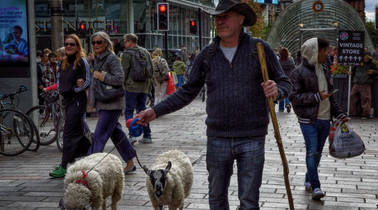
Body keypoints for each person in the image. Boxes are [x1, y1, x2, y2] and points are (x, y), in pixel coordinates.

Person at [137, 0, 291, 209]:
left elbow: (284, 82)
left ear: (241, 19)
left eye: (225, 16)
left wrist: (278, 90)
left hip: (252, 137)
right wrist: (155, 111)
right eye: (217, 17)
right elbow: (187, 91)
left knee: (249, 200)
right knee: (216, 198)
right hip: (218, 138)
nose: (220, 21)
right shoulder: (208, 54)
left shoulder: (258, 49)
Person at [289, 37, 349, 200]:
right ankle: (316, 187)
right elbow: (293, 97)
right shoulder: (298, 73)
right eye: (324, 50)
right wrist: (316, 96)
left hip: (325, 119)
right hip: (308, 120)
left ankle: (308, 181)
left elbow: (330, 97)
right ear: (315, 52)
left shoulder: (325, 69)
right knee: (312, 152)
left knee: (317, 154)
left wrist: (340, 114)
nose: (328, 52)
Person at [87, 31, 136, 174]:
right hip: (105, 103)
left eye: (99, 42)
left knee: (98, 135)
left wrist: (100, 75)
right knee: (117, 134)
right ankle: (130, 161)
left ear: (106, 44)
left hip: (112, 104)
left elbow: (119, 79)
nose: (96, 44)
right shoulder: (99, 59)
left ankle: (90, 167)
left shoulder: (111, 58)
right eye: (94, 42)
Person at [44, 34, 91, 178]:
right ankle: (92, 153)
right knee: (77, 133)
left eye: (72, 44)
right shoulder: (63, 62)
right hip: (67, 102)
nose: (69, 46)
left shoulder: (82, 61)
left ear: (77, 46)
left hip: (78, 101)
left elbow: (87, 81)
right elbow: (60, 82)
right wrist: (53, 91)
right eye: (67, 44)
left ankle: (64, 166)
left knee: (68, 133)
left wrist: (75, 89)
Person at [121, 33, 153, 144]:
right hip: (144, 87)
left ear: (130, 42)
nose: (124, 44)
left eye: (125, 42)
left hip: (131, 87)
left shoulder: (126, 54)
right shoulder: (145, 52)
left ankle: (132, 135)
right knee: (142, 110)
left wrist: (123, 85)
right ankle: (147, 135)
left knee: (129, 110)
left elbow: (124, 72)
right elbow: (151, 69)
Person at [348, 52, 378, 119]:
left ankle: (365, 114)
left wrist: (372, 72)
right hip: (357, 82)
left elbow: (376, 72)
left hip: (366, 83)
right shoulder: (358, 63)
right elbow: (353, 71)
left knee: (366, 99)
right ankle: (352, 113)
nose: (366, 59)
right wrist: (350, 73)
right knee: (352, 96)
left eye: (367, 58)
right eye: (365, 58)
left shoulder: (372, 64)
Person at [278, 47, 295, 113]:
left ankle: (281, 108)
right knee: (288, 91)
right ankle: (287, 104)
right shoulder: (291, 60)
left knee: (281, 91)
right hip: (289, 78)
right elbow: (294, 68)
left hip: (281, 78)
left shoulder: (279, 61)